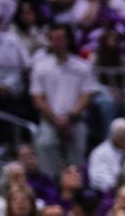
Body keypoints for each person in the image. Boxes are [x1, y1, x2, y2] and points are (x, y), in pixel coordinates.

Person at [30, 24, 97, 175]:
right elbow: (38, 98)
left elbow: (86, 95)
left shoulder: (82, 66)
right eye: (54, 39)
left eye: (61, 39)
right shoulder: (40, 66)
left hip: (75, 119)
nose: (58, 43)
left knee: (77, 157)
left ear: (68, 40)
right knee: (45, 144)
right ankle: (49, 185)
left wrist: (70, 117)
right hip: (49, 119)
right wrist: (56, 120)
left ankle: (76, 188)